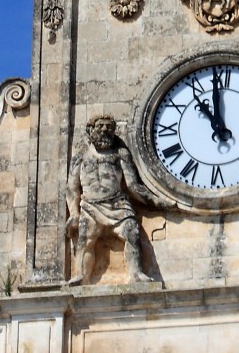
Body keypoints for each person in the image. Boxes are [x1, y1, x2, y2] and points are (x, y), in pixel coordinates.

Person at [66, 115, 174, 284]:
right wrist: (74, 213)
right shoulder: (81, 156)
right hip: (90, 205)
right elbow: (72, 188)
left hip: (118, 203)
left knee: (132, 232)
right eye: (100, 126)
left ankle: (136, 273)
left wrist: (156, 201)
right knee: (85, 240)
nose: (104, 131)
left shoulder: (120, 154)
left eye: (109, 128)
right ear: (90, 130)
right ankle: (82, 276)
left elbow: (133, 185)